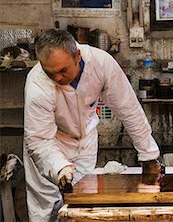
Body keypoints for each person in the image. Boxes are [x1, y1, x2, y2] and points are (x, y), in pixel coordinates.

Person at [23, 29, 162, 221]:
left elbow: (128, 109)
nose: (57, 79)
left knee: (83, 206)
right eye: (50, 73)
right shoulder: (37, 84)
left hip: (85, 141)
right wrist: (59, 168)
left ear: (77, 55)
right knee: (46, 211)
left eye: (63, 70)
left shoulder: (101, 63)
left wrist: (149, 155)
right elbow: (39, 140)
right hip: (50, 145)